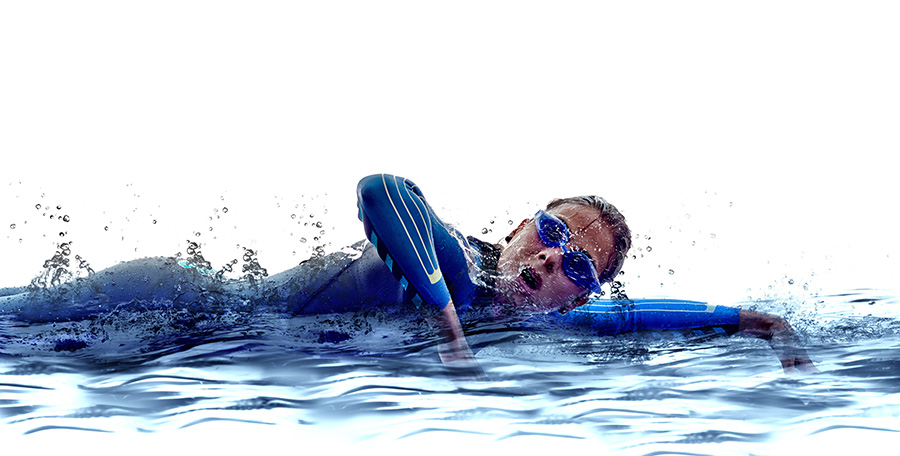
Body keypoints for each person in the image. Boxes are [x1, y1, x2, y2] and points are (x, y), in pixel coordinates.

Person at [0, 173, 817, 375]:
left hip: (177, 354)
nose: (546, 257)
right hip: (174, 300)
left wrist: (750, 320)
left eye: (575, 263)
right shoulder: (453, 255)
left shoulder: (549, 320)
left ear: (582, 292)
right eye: (550, 230)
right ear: (516, 225)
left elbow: (642, 317)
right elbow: (383, 188)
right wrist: (446, 319)